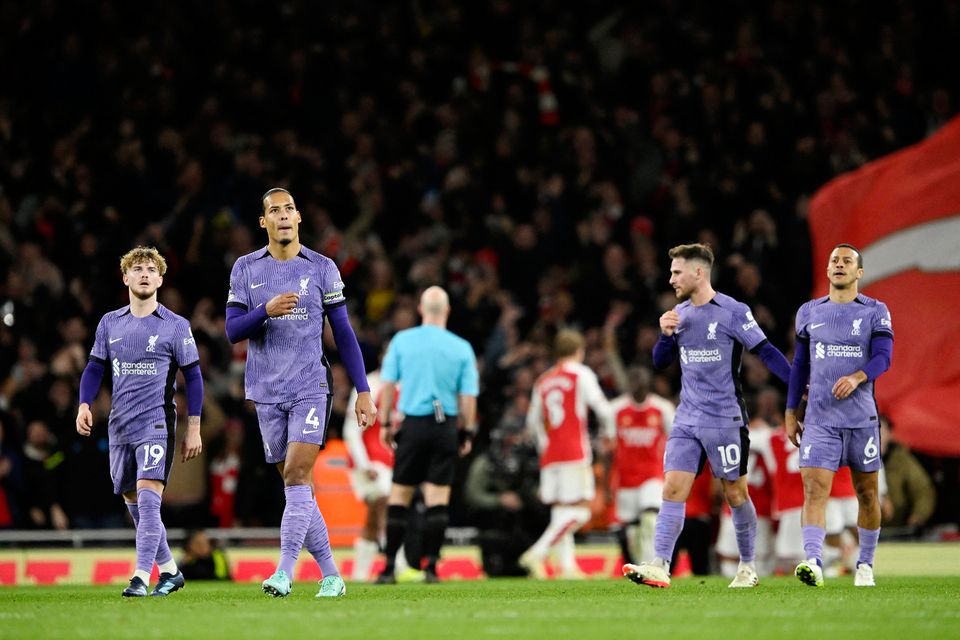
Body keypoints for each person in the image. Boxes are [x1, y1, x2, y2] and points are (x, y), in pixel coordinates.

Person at [225, 188, 377, 598]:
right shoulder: (244, 268)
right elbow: (233, 331)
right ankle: (332, 575)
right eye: (275, 211)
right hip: (265, 391)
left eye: (290, 208)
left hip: (311, 387)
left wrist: (362, 390)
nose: (284, 215)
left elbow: (343, 333)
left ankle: (284, 572)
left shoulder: (323, 267)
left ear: (299, 217)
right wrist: (265, 311)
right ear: (264, 222)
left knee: (295, 475)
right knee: (300, 491)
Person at [623, 243, 790, 589]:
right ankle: (660, 564)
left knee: (735, 493)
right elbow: (659, 362)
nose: (671, 279)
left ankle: (747, 566)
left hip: (725, 418)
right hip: (687, 418)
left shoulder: (733, 311)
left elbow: (767, 351)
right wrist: (665, 336)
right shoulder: (679, 314)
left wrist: (799, 386)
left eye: (676, 272)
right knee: (672, 489)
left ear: (698, 272)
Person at [75, 246, 204, 597]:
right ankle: (171, 571)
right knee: (136, 506)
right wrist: (84, 405)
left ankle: (140, 578)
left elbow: (193, 378)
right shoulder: (110, 323)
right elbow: (94, 368)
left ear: (160, 279)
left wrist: (193, 427)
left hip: (156, 424)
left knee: (149, 503)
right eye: (137, 268)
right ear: (125, 277)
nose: (144, 273)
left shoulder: (176, 327)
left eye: (151, 269)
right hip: (119, 426)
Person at [786, 244, 893, 588]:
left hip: (861, 420)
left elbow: (883, 357)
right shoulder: (808, 312)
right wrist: (791, 411)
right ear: (828, 270)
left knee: (866, 494)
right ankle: (814, 561)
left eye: (847, 261)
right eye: (835, 260)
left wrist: (857, 377)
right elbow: (800, 365)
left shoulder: (876, 311)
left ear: (859, 272)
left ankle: (865, 565)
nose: (840, 265)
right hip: (820, 420)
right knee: (815, 490)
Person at [374, 286, 479, 584]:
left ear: (421, 309)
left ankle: (389, 569)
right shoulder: (461, 348)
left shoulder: (402, 341)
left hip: (413, 425)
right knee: (438, 499)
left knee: (399, 496)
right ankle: (432, 568)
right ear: (447, 311)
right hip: (445, 425)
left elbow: (390, 385)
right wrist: (467, 431)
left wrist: (384, 425)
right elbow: (468, 397)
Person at [520, 329, 614, 579]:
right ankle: (538, 553)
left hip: (551, 455)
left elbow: (532, 422)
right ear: (579, 351)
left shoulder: (543, 380)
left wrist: (544, 446)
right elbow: (603, 410)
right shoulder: (581, 374)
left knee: (561, 512)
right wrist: (609, 435)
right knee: (582, 511)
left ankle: (568, 567)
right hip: (574, 452)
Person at [608, 366, 674, 566]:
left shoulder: (662, 408)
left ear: (648, 384)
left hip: (652, 475)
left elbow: (675, 443)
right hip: (626, 480)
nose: (637, 385)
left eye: (641, 381)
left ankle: (650, 564)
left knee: (650, 518)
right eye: (633, 381)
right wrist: (606, 486)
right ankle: (638, 566)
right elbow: (608, 450)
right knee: (632, 530)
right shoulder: (615, 409)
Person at [342, 367, 395, 581]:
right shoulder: (369, 386)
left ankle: (360, 573)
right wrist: (365, 465)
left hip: (393, 462)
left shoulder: (405, 385)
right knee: (386, 500)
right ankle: (395, 559)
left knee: (374, 518)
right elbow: (351, 430)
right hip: (371, 464)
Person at [879, 414, 935, 530]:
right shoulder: (852, 458)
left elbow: (923, 489)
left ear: (889, 434)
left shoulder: (901, 460)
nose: (875, 436)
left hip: (895, 529)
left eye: (880, 431)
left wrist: (918, 516)